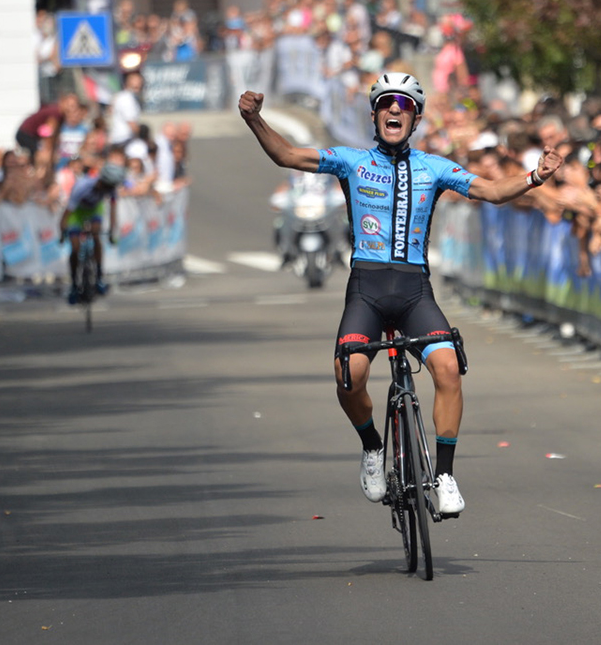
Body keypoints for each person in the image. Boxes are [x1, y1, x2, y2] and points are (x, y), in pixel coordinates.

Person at [238, 72, 564, 515]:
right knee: (347, 376)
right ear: (374, 114)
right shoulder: (351, 161)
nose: (396, 109)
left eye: (405, 104)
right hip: (367, 289)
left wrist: (534, 177)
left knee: (448, 368)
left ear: (416, 118)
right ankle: (373, 447)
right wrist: (256, 119)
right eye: (387, 103)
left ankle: (445, 475)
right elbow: (287, 154)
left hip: (414, 290)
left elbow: (490, 191)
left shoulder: (435, 167)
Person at [59, 148, 126, 304]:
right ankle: (75, 285)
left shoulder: (111, 188)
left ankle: (99, 278)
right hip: (77, 213)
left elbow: (112, 210)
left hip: (94, 210)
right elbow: (67, 213)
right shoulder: (82, 187)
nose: (110, 190)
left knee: (96, 236)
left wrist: (111, 232)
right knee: (75, 248)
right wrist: (62, 231)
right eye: (108, 187)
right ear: (101, 181)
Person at [110, 72, 143, 146]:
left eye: (140, 85)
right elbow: (132, 123)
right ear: (127, 84)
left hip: (122, 139)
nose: (138, 88)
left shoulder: (124, 97)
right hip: (124, 140)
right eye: (135, 87)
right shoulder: (127, 99)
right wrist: (141, 138)